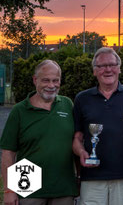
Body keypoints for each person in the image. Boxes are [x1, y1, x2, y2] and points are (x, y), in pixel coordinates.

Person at [0, 60, 78, 205]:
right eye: (46, 80)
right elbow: (8, 153)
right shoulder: (20, 110)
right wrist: (9, 190)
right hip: (28, 187)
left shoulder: (67, 105)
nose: (51, 85)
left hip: (63, 189)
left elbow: (77, 142)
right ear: (35, 80)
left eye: (56, 80)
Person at [72, 47, 123, 205]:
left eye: (112, 65)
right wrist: (81, 152)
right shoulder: (82, 99)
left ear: (119, 69)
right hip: (92, 177)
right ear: (94, 71)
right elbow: (77, 137)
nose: (108, 69)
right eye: (101, 66)